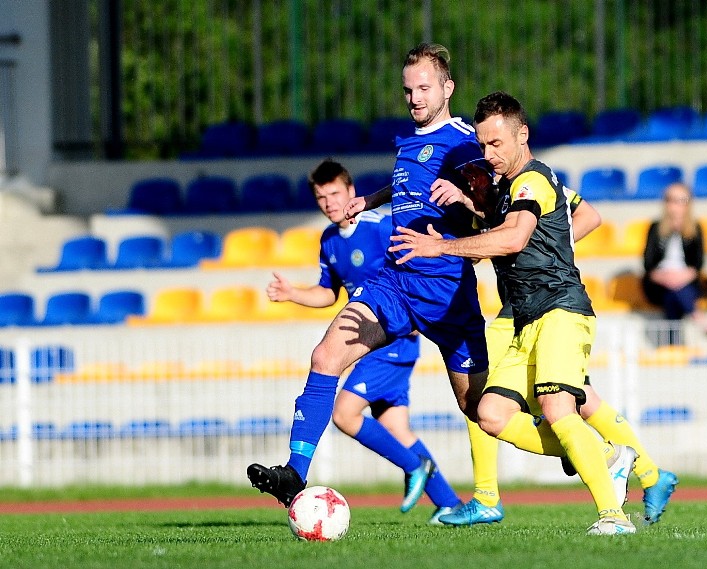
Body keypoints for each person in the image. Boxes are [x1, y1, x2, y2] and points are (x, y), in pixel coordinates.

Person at [390, 91, 665, 535]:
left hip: (561, 312)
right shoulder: (499, 188)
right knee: (489, 414)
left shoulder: (532, 181)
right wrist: (466, 207)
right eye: (482, 145)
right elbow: (500, 237)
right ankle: (610, 454)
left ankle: (613, 518)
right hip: (524, 321)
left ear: (523, 135)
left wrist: (441, 245)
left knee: (558, 409)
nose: (487, 154)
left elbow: (515, 237)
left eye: (496, 144)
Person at [247, 43, 490, 518]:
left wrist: (465, 196)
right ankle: (294, 474)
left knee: (481, 410)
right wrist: (372, 199)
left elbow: (489, 213)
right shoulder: (412, 140)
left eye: (424, 88)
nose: (415, 97)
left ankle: (585, 444)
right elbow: (410, 187)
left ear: (448, 88)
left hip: (445, 292)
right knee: (325, 355)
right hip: (395, 282)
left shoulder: (464, 141)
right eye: (408, 89)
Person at [263, 158, 462, 523]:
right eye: (321, 197)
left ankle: (413, 466)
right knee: (396, 428)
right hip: (369, 339)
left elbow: (414, 262)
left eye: (335, 193)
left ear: (352, 192)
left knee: (345, 412)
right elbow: (329, 293)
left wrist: (416, 312)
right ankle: (450, 504)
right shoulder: (328, 241)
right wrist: (292, 293)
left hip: (394, 338)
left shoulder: (381, 226)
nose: (329, 203)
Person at [641, 182, 707, 343]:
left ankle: (673, 344)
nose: (674, 205)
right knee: (672, 291)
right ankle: (697, 316)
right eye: (670, 199)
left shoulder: (695, 229)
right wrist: (666, 278)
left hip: (685, 281)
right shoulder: (655, 228)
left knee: (674, 294)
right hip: (660, 282)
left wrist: (680, 278)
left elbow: (698, 263)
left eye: (679, 200)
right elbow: (648, 263)